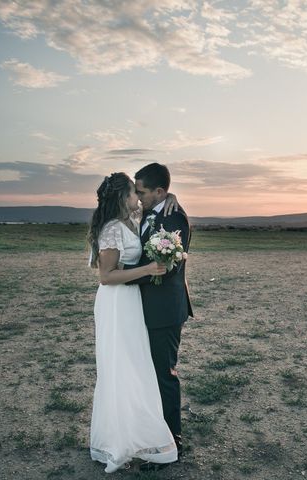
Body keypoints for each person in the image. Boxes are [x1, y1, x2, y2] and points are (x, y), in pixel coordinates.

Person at [87, 172, 179, 473]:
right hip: (116, 303)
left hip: (132, 303)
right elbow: (106, 276)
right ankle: (118, 439)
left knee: (136, 365)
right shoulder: (112, 229)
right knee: (120, 368)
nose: (138, 198)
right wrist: (149, 269)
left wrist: (172, 198)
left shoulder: (133, 217)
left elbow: (155, 202)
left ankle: (139, 431)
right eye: (133, 193)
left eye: (140, 193)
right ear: (122, 198)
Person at [123, 162, 192, 470]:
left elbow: (164, 269)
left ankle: (172, 443)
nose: (138, 197)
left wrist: (119, 275)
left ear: (159, 192)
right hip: (144, 308)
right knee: (147, 373)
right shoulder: (150, 212)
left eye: (142, 191)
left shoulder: (173, 217)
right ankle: (152, 431)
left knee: (164, 374)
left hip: (164, 310)